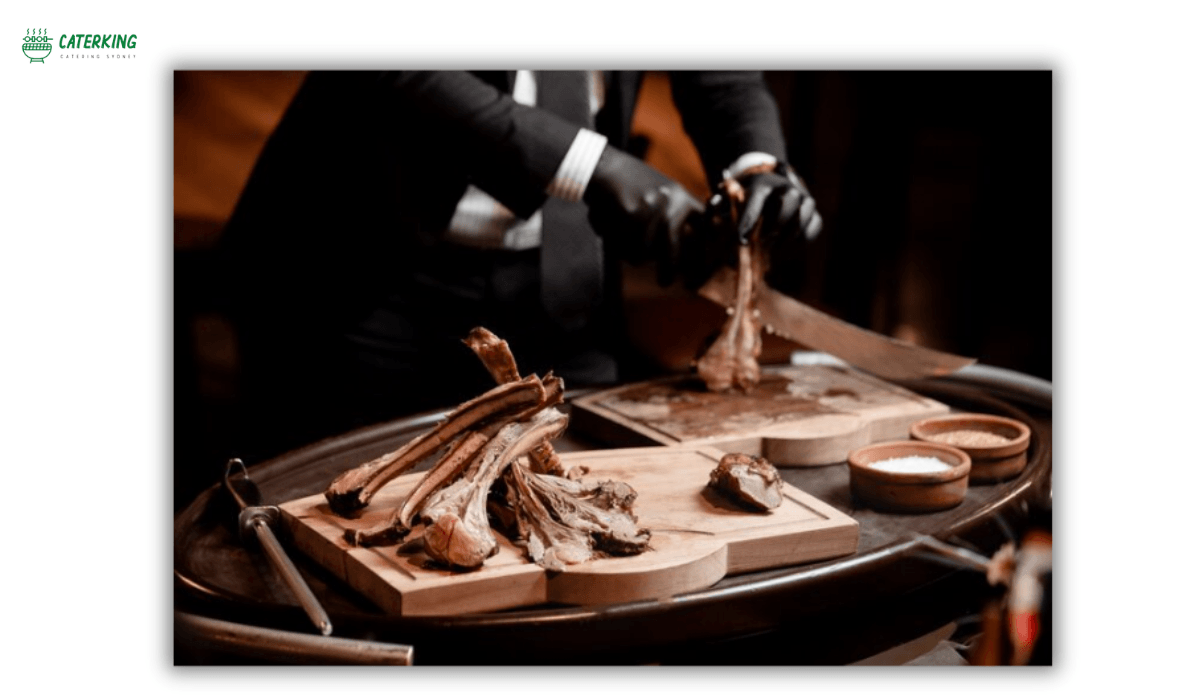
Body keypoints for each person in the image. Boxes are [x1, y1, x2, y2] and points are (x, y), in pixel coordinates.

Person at [218, 71, 821, 462]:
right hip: (355, 262)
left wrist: (754, 162)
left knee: (588, 508)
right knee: (338, 528)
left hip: (563, 276)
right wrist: (590, 167)